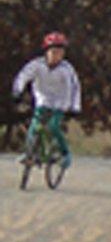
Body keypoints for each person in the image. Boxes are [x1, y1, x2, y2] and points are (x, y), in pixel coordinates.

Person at [13, 32, 81, 165]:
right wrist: (17, 92)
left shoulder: (66, 69)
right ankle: (30, 153)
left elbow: (75, 88)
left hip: (61, 101)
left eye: (60, 53)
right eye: (54, 52)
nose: (57, 56)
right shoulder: (36, 65)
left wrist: (74, 106)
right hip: (43, 98)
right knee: (34, 126)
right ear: (46, 52)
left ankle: (65, 153)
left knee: (53, 126)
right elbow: (23, 76)